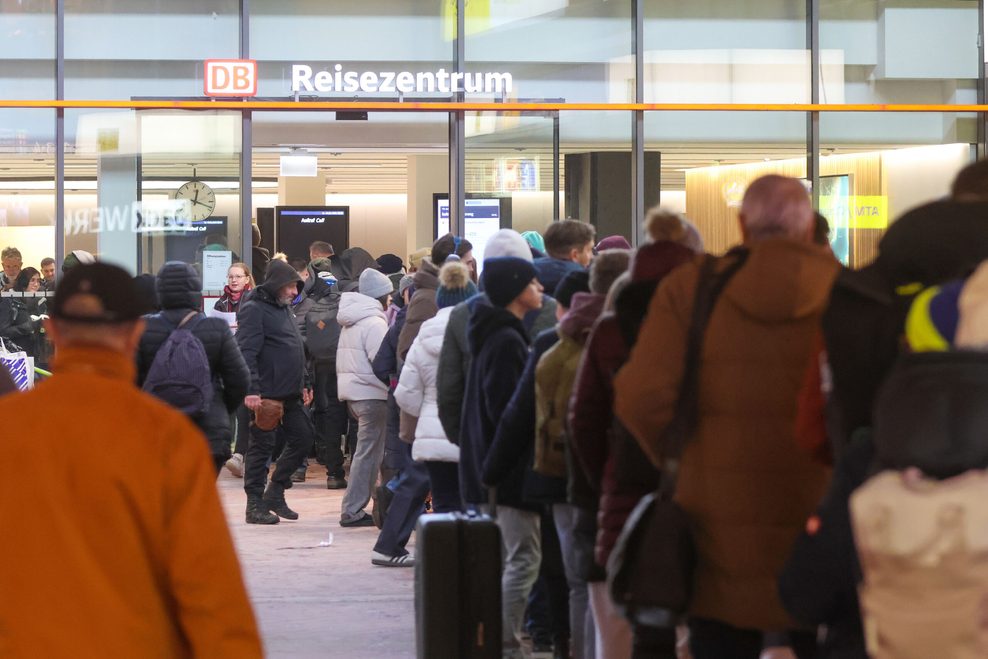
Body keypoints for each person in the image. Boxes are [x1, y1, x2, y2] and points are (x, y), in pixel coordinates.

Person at [615, 174, 840, 658]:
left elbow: (639, 396)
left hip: (712, 516)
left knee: (719, 634)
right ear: (809, 228)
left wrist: (684, 455)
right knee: (816, 631)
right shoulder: (848, 291)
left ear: (741, 224)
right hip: (820, 506)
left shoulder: (693, 289)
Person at [0, 262, 262, 656]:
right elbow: (211, 592)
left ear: (51, 331)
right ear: (135, 331)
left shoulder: (10, 428)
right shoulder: (169, 441)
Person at [570, 223, 702, 658]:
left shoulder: (613, 329)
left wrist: (608, 474)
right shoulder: (717, 318)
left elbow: (584, 422)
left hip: (625, 498)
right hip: (704, 502)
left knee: (623, 631)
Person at [460, 255, 544, 658]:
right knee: (524, 558)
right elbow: (506, 411)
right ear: (516, 290)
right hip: (507, 471)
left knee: (508, 558)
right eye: (533, 283)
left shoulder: (494, 335)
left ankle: (499, 640)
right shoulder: (508, 340)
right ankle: (507, 644)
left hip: (488, 465)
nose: (541, 288)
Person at [374, 261, 478, 567]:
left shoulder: (424, 334)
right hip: (468, 435)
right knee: (469, 501)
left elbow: (405, 393)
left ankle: (441, 563)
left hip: (431, 435)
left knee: (438, 498)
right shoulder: (475, 331)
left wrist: (428, 412)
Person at [436, 229, 558, 452]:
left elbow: (448, 389)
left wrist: (464, 438)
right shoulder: (551, 311)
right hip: (536, 447)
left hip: (478, 440)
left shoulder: (463, 313)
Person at [136, 262, 250, 475]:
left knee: (164, 500)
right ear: (195, 291)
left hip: (159, 431)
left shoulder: (143, 328)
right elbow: (240, 379)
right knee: (199, 498)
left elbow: (129, 380)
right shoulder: (215, 328)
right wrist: (219, 406)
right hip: (209, 433)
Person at [236, 259, 315, 525]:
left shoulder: (284, 309)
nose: (295, 292)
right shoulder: (254, 310)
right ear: (277, 285)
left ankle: (276, 491)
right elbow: (246, 351)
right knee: (261, 449)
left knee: (304, 438)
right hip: (265, 394)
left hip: (291, 392)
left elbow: (296, 348)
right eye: (292, 286)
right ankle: (254, 505)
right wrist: (251, 389)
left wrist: (305, 381)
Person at [337, 268, 394, 527]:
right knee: (370, 454)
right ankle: (353, 510)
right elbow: (382, 361)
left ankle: (379, 505)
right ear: (381, 296)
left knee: (370, 452)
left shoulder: (353, 318)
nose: (391, 300)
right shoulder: (374, 322)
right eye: (389, 295)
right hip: (372, 394)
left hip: (354, 394)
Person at [300, 257, 349, 490]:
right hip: (347, 365)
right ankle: (356, 470)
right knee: (357, 421)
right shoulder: (346, 296)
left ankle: (334, 473)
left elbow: (304, 338)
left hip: (322, 367)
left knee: (329, 417)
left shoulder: (311, 298)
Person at [534, 220, 595, 295]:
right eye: (589, 250)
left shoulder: (526, 273)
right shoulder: (583, 282)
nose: (592, 256)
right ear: (574, 255)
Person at [0, 267, 47, 363]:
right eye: (32, 280)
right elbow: (3, 332)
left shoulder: (41, 301)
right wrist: (28, 326)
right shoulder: (10, 300)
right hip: (15, 357)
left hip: (36, 355)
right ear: (24, 282)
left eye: (38, 281)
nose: (36, 284)